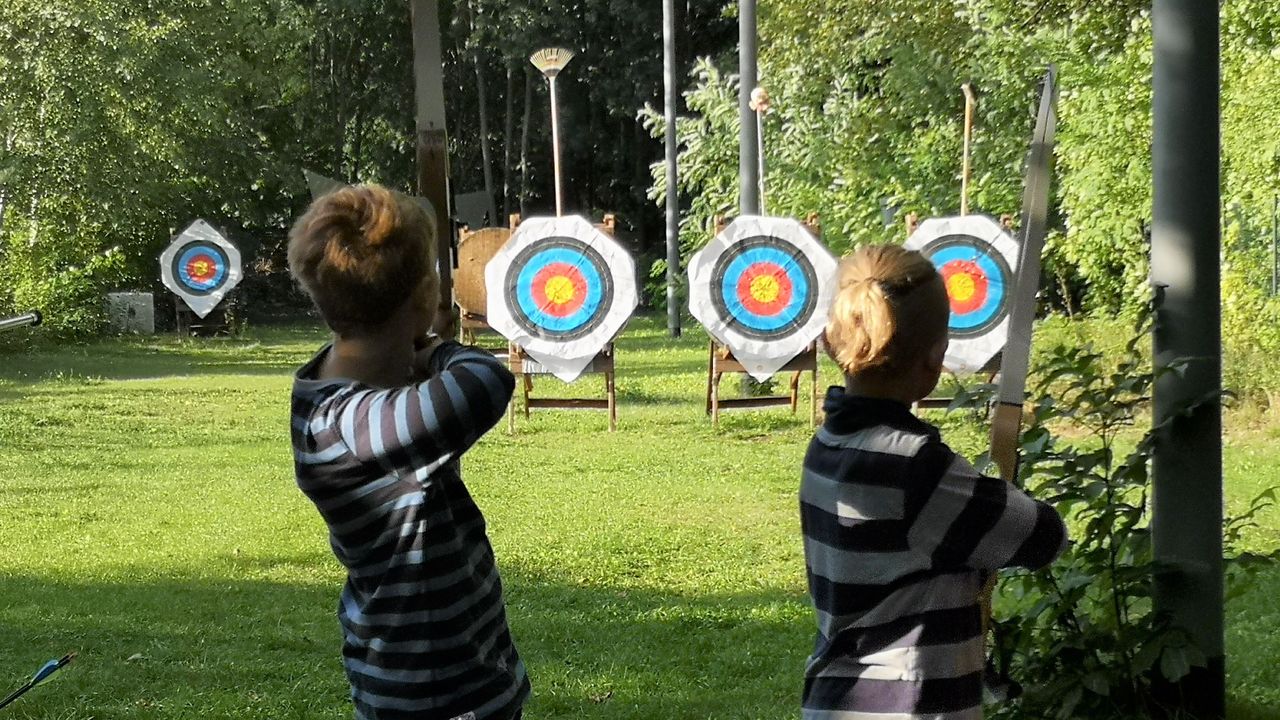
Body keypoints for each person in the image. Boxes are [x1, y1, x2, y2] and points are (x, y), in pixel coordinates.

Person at [287, 184, 527, 720]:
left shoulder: (322, 394)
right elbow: (487, 380)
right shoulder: (365, 427)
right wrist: (436, 345)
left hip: (413, 674)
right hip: (438, 692)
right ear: (423, 297)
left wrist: (408, 337)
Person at [800, 244, 1068, 719]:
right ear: (936, 356)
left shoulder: (827, 446)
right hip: (908, 707)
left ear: (828, 343)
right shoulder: (917, 471)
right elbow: (1043, 537)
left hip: (835, 702)